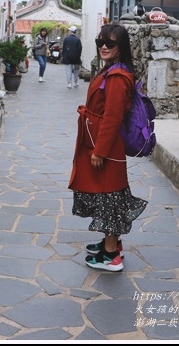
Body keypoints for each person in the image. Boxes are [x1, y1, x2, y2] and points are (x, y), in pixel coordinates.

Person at [69, 22, 148, 272]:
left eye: (110, 43)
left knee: (109, 196)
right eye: (100, 42)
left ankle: (111, 255)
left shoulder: (116, 77)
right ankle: (110, 244)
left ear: (120, 46)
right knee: (107, 194)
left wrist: (99, 151)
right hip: (100, 141)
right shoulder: (111, 70)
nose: (104, 46)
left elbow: (112, 117)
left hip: (106, 146)